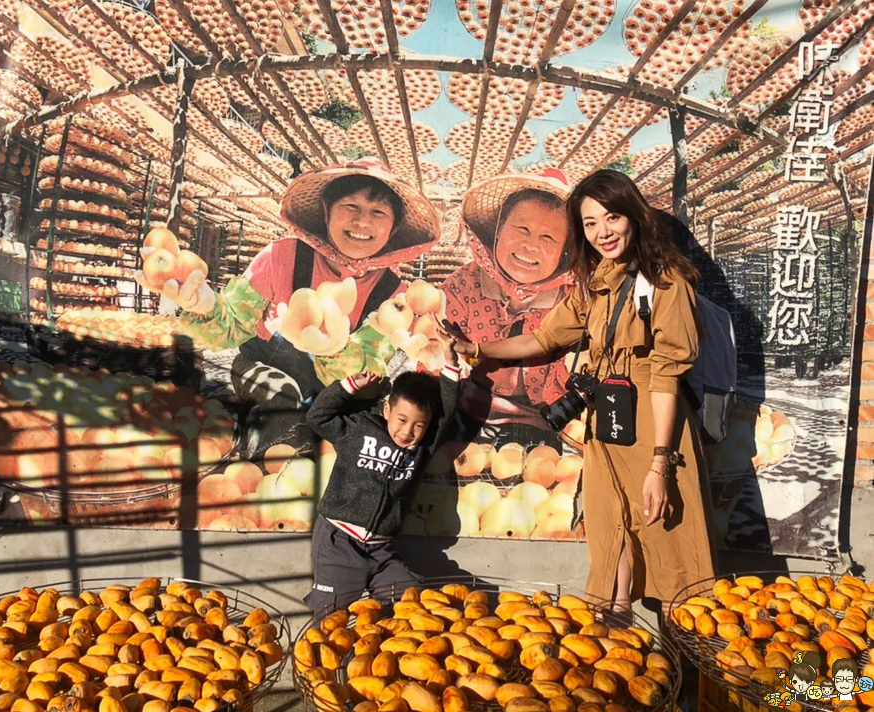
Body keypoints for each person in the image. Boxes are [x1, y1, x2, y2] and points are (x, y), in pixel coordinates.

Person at [453, 169, 716, 612]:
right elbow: (543, 339)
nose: (602, 233)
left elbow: (667, 376)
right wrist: (477, 348)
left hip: (654, 426)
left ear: (633, 215)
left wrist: (660, 464)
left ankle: (690, 663)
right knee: (609, 529)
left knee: (668, 545)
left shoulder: (667, 282)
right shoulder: (596, 283)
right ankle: (616, 634)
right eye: (590, 223)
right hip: (608, 424)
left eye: (611, 218)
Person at [139, 160, 440, 453]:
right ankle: (262, 472)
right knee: (280, 401)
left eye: (379, 212)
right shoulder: (281, 257)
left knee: (355, 431)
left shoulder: (395, 295)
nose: (363, 221)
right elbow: (231, 330)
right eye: (351, 206)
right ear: (326, 211)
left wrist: (334, 351)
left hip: (338, 388)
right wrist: (203, 307)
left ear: (394, 228)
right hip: (264, 368)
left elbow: (368, 369)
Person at [302, 337, 461, 615]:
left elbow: (445, 412)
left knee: (413, 607)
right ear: (387, 409)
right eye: (402, 420)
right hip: (340, 542)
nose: (408, 431)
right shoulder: (358, 430)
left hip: (382, 551)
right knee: (330, 620)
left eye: (418, 425)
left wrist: (451, 362)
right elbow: (318, 417)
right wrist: (349, 386)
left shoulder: (422, 448)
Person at [442, 168, 575, 439]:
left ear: (565, 251)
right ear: (498, 231)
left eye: (548, 238)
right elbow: (437, 363)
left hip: (546, 425)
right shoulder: (462, 285)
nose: (531, 246)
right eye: (522, 229)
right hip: (464, 415)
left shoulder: (573, 300)